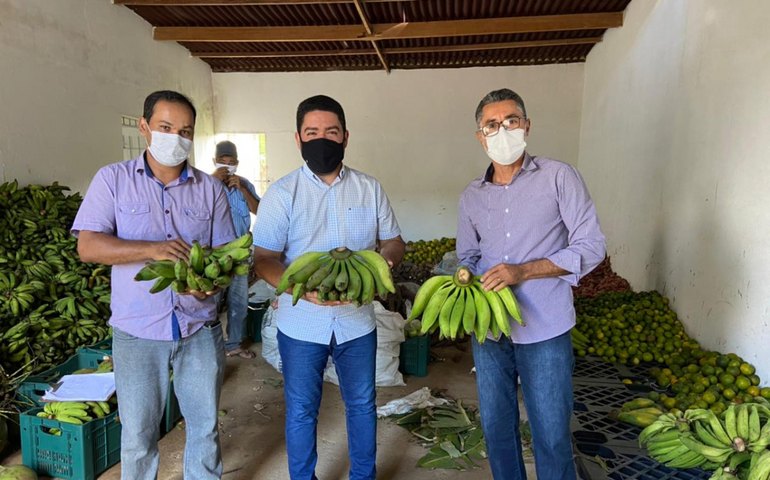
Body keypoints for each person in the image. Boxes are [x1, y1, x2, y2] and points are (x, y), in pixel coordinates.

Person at [72, 90, 235, 480]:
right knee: (139, 433)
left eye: (185, 131)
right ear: (145, 128)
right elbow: (88, 246)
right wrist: (152, 249)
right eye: (166, 127)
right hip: (137, 330)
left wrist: (211, 284)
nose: (175, 138)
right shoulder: (113, 179)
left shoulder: (209, 189)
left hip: (199, 326)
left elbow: (227, 253)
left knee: (205, 427)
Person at [252, 94, 405, 480]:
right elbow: (264, 257)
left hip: (357, 321)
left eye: (331, 131)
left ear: (345, 137)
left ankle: (362, 476)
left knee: (362, 405)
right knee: (302, 409)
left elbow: (393, 240)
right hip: (301, 321)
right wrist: (297, 287)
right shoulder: (282, 193)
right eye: (312, 132)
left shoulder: (369, 188)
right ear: (299, 138)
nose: (322, 139)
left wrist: (384, 263)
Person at [457, 88, 606, 480]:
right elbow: (467, 255)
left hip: (546, 327)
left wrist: (523, 272)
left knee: (551, 431)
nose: (502, 130)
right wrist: (464, 278)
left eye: (511, 121)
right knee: (497, 429)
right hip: (489, 328)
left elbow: (591, 247)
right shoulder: (472, 196)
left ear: (527, 126)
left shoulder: (560, 176)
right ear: (480, 136)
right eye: (492, 124)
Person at [211, 140, 260, 359]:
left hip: (240, 252)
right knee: (211, 301)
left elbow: (259, 209)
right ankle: (209, 347)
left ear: (237, 163)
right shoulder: (205, 183)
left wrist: (241, 188)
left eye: (231, 162)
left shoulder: (244, 184)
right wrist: (213, 181)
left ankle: (234, 344)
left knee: (239, 300)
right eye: (223, 161)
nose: (227, 166)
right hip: (214, 254)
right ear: (215, 161)